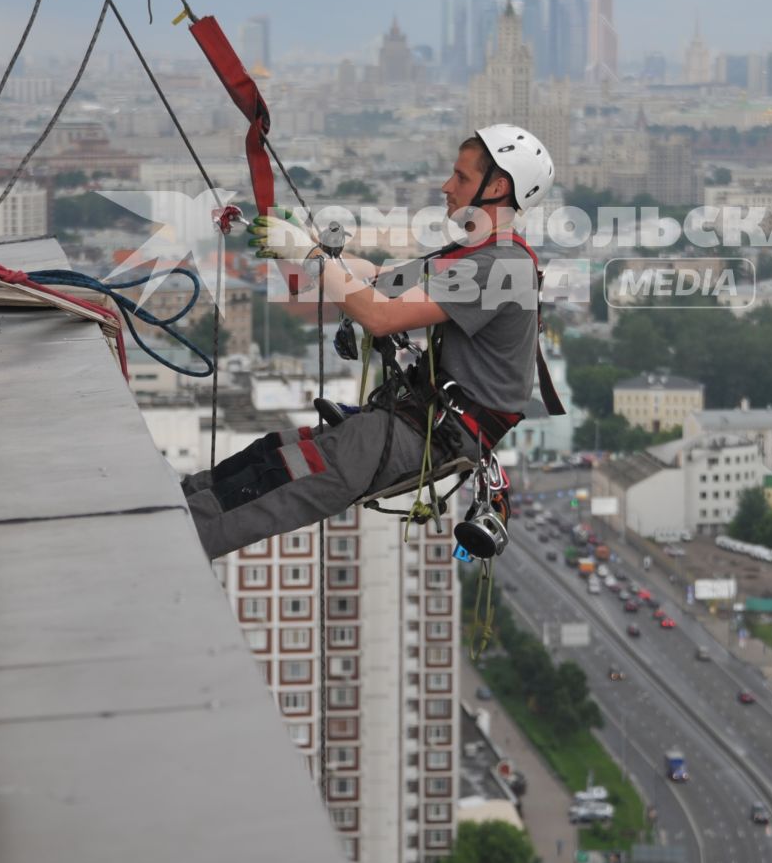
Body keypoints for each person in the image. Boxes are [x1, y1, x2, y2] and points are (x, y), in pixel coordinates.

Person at [184, 123, 556, 559]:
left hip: (430, 431)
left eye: (461, 177)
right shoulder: (485, 253)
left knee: (278, 485)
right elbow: (382, 282)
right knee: (268, 457)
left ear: (497, 187)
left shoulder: (497, 266)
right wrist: (307, 246)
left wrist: (309, 256)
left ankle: (167, 542)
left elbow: (379, 316)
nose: (446, 186)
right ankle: (176, 504)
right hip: (419, 419)